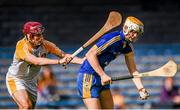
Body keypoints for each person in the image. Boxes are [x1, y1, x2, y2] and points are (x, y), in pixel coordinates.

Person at [5, 21, 83, 109]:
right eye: (38, 35)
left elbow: (65, 56)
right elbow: (36, 61)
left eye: (41, 34)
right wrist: (59, 61)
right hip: (16, 79)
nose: (41, 37)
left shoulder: (46, 45)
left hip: (32, 82)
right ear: (29, 36)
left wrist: (82, 61)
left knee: (29, 108)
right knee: (26, 106)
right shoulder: (21, 46)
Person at [77, 16, 149, 109]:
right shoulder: (113, 39)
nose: (135, 35)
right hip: (87, 76)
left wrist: (141, 89)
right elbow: (90, 54)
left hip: (101, 76)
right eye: (133, 32)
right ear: (126, 28)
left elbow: (133, 70)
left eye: (137, 33)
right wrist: (103, 75)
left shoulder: (128, 47)